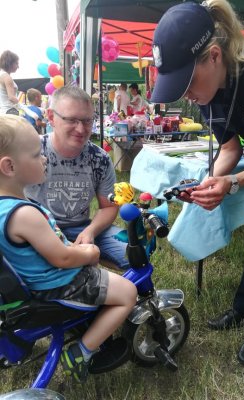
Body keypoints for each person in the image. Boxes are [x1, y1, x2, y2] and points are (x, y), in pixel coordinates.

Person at [150, 0, 244, 365]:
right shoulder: (206, 91)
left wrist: (232, 183)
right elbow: (230, 148)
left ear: (214, 56)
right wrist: (208, 182)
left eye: (187, 82)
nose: (186, 94)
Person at [0, 115, 137, 383]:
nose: (44, 158)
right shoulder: (24, 214)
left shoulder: (6, 208)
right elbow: (62, 258)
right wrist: (91, 253)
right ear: (9, 166)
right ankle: (81, 352)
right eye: (36, 154)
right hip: (59, 285)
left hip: (29, 283)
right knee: (127, 292)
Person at [25, 86, 130, 270]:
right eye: (72, 120)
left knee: (134, 253)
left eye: (87, 121)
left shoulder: (99, 158)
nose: (81, 129)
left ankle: (85, 259)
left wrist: (90, 231)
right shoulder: (32, 151)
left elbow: (109, 207)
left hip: (81, 227)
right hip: (36, 232)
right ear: (51, 117)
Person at [0, 50, 19, 115]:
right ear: (9, 63)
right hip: (10, 112)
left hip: (3, 111)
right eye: (16, 63)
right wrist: (25, 108)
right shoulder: (7, 77)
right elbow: (11, 97)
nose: (18, 67)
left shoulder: (2, 75)